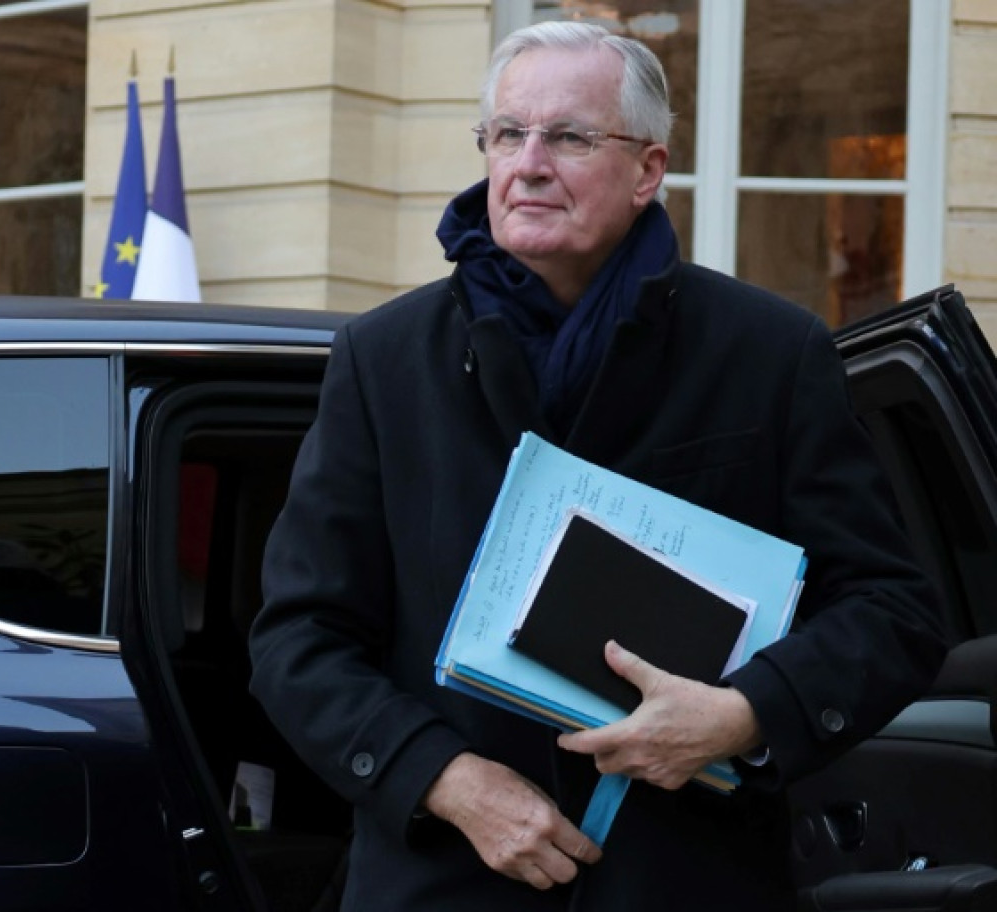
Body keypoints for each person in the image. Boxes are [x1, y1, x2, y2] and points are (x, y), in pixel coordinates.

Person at [248, 19, 948, 912]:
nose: (529, 161)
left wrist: (742, 717)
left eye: (570, 136)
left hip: (684, 880)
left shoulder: (771, 354)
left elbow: (893, 610)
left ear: (648, 170)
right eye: (507, 133)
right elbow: (296, 640)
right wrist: (446, 778)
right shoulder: (383, 359)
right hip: (445, 882)